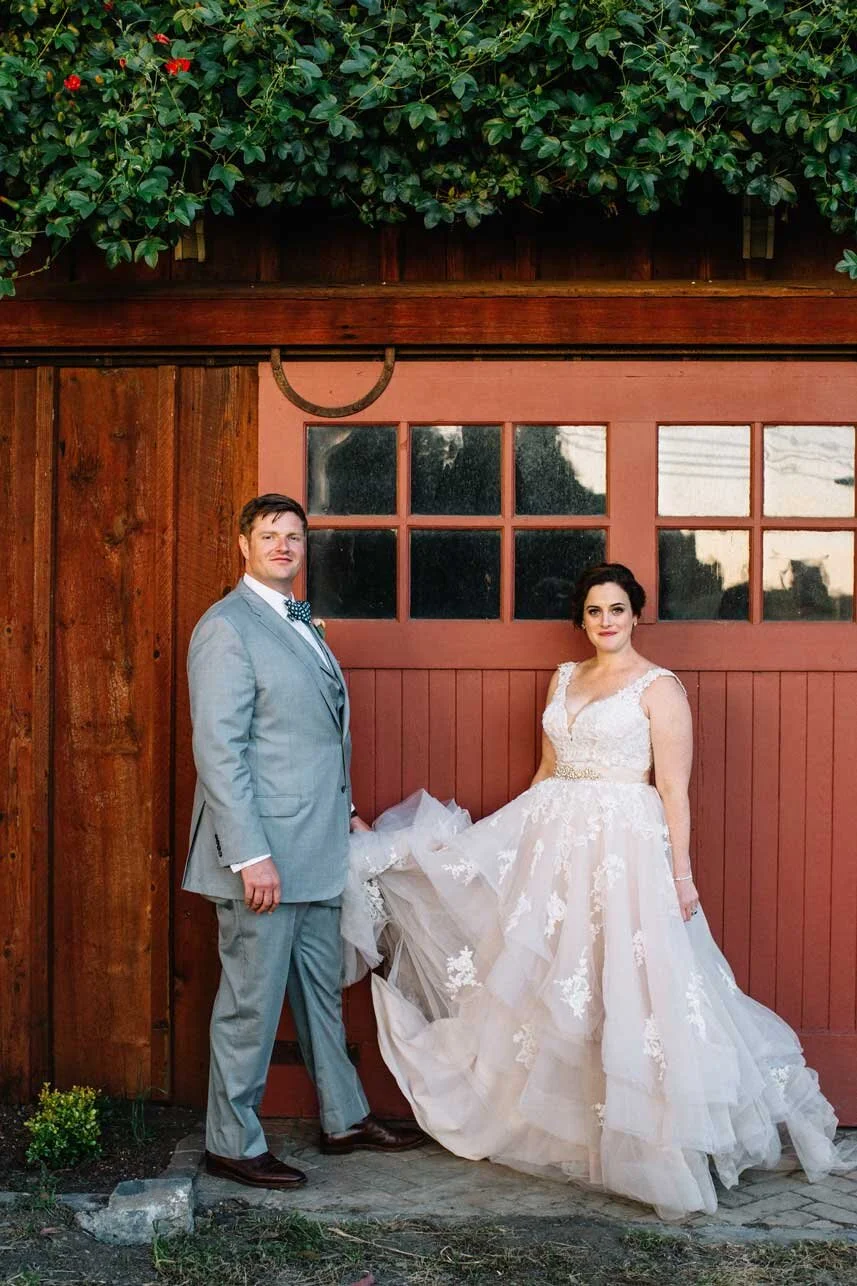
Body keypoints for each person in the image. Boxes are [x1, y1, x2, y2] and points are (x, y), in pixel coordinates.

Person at [343, 562, 855, 1219]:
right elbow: (546, 771)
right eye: (594, 611)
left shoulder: (659, 688)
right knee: (556, 980)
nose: (605, 621)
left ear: (635, 614)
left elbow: (672, 791)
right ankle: (580, 1134)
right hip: (555, 842)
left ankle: (654, 1142)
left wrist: (681, 876)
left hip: (624, 852)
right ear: (581, 620)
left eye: (616, 609)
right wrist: (507, 847)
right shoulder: (565, 677)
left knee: (634, 985)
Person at [183, 493, 426, 1190]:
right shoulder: (226, 627)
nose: (283, 545)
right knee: (250, 1002)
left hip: (317, 845)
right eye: (269, 534)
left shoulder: (295, 618)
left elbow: (312, 736)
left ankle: (344, 1118)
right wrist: (249, 854)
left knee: (321, 990)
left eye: (293, 535)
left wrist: (345, 810)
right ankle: (231, 1142)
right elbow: (221, 750)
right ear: (243, 545)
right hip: (262, 854)